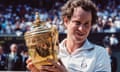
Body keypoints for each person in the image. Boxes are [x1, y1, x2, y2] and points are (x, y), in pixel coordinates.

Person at [26, 0, 111, 72]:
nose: (82, 29)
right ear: (66, 21)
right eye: (77, 23)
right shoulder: (51, 53)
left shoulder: (100, 54)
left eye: (86, 24)